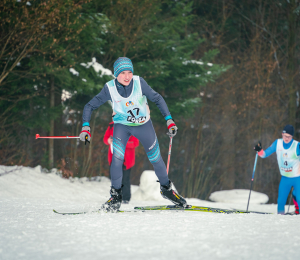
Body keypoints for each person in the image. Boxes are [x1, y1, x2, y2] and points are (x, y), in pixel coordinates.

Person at [79, 57, 187, 211]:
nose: (127, 76)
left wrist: (169, 120)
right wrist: (85, 127)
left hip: (143, 125)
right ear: (116, 74)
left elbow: (157, 98)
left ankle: (167, 190)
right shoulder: (109, 88)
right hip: (122, 126)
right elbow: (89, 106)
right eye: (123, 73)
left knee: (156, 159)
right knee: (117, 160)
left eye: (130, 72)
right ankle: (115, 196)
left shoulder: (139, 82)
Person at [254, 125, 300, 214]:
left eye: (289, 136)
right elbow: (265, 154)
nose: (286, 138)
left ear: (292, 137)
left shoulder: (297, 145)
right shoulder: (277, 143)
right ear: (282, 134)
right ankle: (280, 219)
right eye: (285, 135)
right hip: (285, 178)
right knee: (281, 201)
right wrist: (259, 151)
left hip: (297, 178)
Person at [103, 120, 139, 203]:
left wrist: (123, 143)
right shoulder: (111, 126)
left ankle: (125, 198)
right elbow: (105, 139)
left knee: (125, 179)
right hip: (114, 158)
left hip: (126, 159)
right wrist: (109, 140)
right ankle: (115, 197)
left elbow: (135, 143)